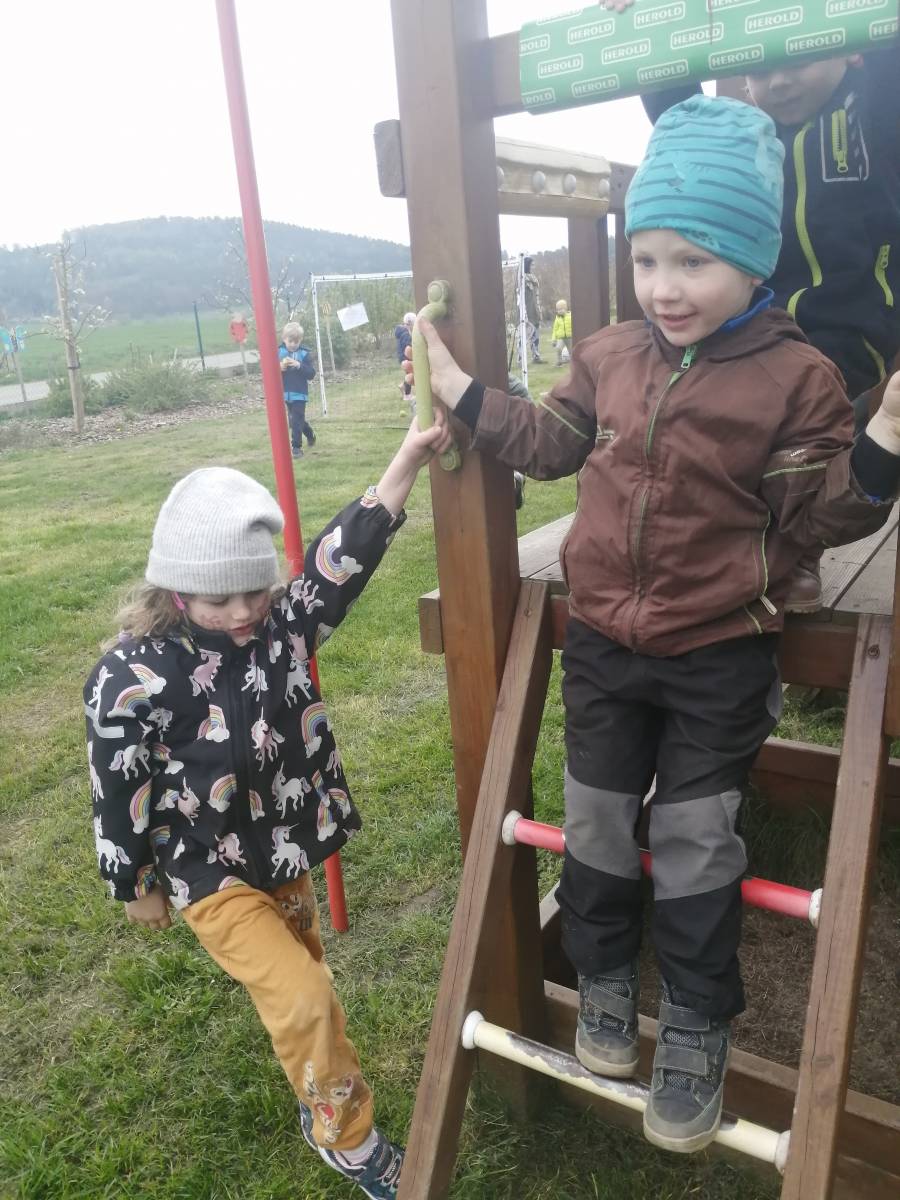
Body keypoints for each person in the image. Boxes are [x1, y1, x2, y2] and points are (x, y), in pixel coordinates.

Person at [414, 96, 900, 1154]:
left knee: (692, 839)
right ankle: (599, 977)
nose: (664, 287)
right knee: (594, 821)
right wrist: (462, 393)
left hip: (719, 650)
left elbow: (818, 515)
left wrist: (883, 446)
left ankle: (692, 1023)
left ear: (754, 262)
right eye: (646, 260)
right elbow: (550, 442)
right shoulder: (610, 354)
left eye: (694, 261)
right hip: (603, 642)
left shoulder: (795, 378)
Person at [83, 412, 453, 1198]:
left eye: (256, 590)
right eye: (219, 600)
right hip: (205, 872)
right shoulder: (131, 678)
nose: (243, 612)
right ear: (175, 589)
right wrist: (134, 882)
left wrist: (407, 459)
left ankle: (316, 1080)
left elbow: (341, 559)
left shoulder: (283, 627)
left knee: (305, 980)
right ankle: (347, 1138)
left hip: (283, 847)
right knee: (306, 996)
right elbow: (116, 787)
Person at [627, 0, 900, 611]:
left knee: (814, 430)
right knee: (730, 420)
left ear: (850, 44)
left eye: (798, 56)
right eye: (759, 64)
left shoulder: (873, 116)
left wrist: (872, 27)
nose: (777, 79)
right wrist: (652, 17)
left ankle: (799, 546)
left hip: (850, 326)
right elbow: (681, 116)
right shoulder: (744, 140)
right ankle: (720, 535)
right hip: (757, 321)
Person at [279, 321, 317, 459]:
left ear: (300, 340)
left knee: (295, 420)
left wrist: (299, 365)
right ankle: (310, 434)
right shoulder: (279, 352)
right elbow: (271, 372)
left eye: (296, 341)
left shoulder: (304, 354)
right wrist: (280, 368)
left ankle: (296, 447)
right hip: (285, 393)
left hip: (300, 393)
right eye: (290, 341)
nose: (293, 344)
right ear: (284, 339)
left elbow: (311, 374)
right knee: (296, 420)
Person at [393, 312, 416, 417]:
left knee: (409, 373)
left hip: (402, 357)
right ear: (410, 323)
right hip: (405, 357)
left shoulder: (401, 332)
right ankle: (407, 394)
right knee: (410, 374)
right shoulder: (406, 333)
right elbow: (407, 347)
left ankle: (402, 386)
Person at [523, 256, 544, 363]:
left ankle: (536, 357)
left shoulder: (534, 279)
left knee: (536, 336)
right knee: (524, 336)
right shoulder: (522, 279)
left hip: (535, 310)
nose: (533, 266)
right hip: (526, 311)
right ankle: (521, 359)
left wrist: (539, 310)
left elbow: (536, 296)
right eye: (531, 264)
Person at [552, 300, 573, 366]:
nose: (560, 311)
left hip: (569, 337)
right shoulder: (557, 318)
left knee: (571, 351)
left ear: (566, 308)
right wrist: (554, 339)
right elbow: (555, 329)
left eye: (561, 309)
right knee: (558, 348)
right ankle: (559, 361)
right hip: (561, 338)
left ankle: (573, 362)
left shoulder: (570, 316)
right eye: (558, 310)